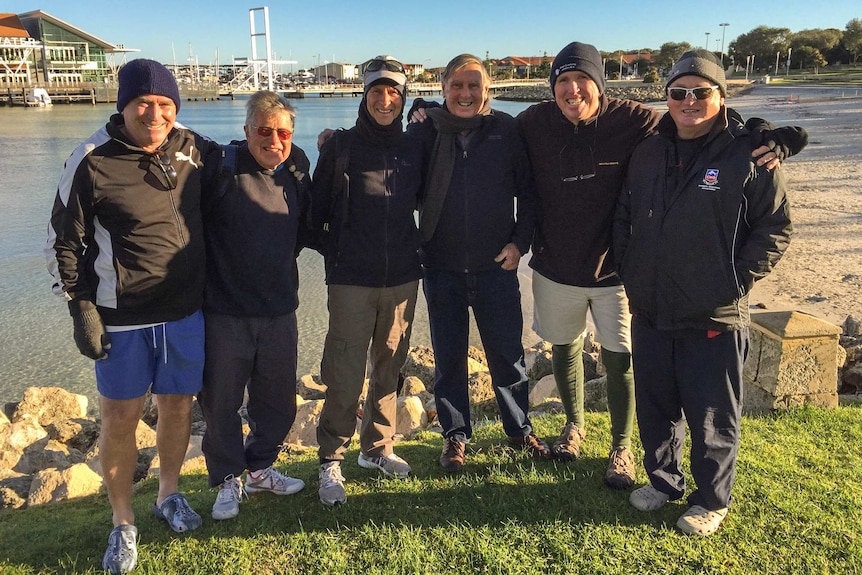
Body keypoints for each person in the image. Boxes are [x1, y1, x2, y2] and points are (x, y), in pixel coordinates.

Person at [517, 42, 807, 488]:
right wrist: (425, 114)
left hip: (618, 272)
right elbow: (483, 131)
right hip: (556, 266)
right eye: (562, 82)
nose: (573, 90)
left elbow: (700, 124)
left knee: (622, 359)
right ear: (552, 87)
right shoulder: (533, 122)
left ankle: (621, 447)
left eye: (583, 80)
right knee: (564, 346)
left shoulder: (634, 118)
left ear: (600, 83)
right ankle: (573, 427)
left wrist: (762, 134)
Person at [45, 59, 218, 574]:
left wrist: (304, 153)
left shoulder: (191, 146)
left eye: (165, 104)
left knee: (178, 408)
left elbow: (250, 163)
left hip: (185, 311)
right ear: (122, 104)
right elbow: (64, 242)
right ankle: (123, 522)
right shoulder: (90, 158)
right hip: (122, 317)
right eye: (144, 103)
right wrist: (80, 309)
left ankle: (169, 493)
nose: (155, 113)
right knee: (119, 419)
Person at [614, 50, 792, 535]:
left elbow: (774, 227)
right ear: (666, 97)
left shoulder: (751, 152)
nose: (689, 101)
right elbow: (626, 216)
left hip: (714, 312)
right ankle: (663, 482)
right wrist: (630, 269)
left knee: (712, 413)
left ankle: (712, 499)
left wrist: (735, 280)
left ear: (721, 95)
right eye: (678, 93)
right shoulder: (649, 150)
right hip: (650, 306)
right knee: (656, 405)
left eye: (701, 92)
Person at [407, 54, 549, 473]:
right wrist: (333, 141)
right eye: (458, 86)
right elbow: (389, 163)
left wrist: (520, 243)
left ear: (488, 89)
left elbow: (530, 191)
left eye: (474, 86)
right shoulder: (425, 131)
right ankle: (455, 436)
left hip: (496, 267)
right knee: (448, 357)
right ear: (443, 88)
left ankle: (519, 430)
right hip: (441, 266)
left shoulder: (505, 129)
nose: (466, 94)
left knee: (507, 356)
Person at [311, 56, 424, 506]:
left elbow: (447, 122)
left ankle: (376, 449)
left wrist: (429, 109)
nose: (385, 100)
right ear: (364, 95)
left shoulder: (415, 146)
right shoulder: (340, 147)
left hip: (402, 279)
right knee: (343, 370)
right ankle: (331, 458)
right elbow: (313, 217)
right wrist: (339, 257)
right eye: (377, 91)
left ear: (403, 97)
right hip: (351, 281)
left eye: (393, 93)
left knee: (390, 366)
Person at [197, 91, 311, 520]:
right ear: (247, 131)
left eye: (283, 132)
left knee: (278, 400)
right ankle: (228, 478)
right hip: (225, 312)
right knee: (220, 401)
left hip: (280, 310)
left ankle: (261, 467)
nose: (274, 140)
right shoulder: (221, 168)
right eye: (264, 130)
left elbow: (302, 233)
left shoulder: (296, 176)